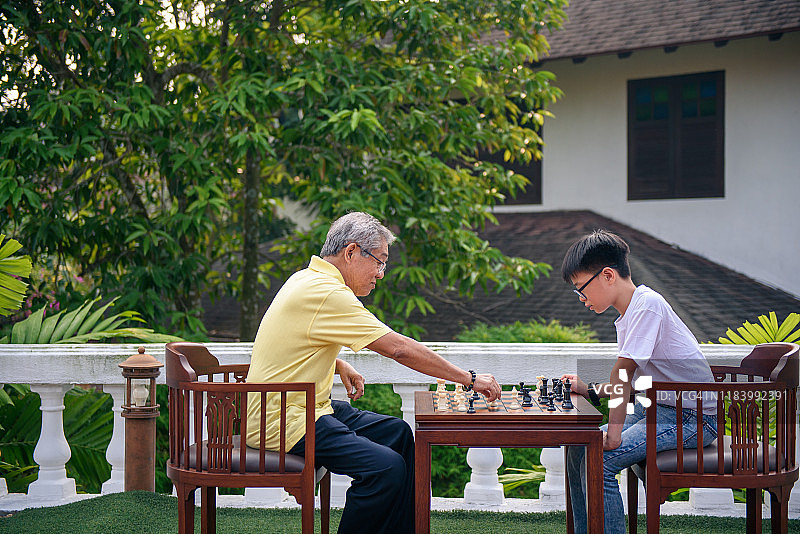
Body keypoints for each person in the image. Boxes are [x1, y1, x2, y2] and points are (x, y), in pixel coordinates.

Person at [245, 211, 501, 534]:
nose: (380, 274)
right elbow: (398, 348)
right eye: (379, 261)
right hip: (284, 420)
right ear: (351, 252)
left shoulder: (305, 279)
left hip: (303, 406)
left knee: (399, 434)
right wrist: (469, 379)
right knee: (385, 469)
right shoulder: (329, 293)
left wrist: (337, 363)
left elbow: (291, 342)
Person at [559, 229, 718, 534]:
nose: (582, 299)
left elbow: (622, 374)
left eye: (582, 289)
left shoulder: (647, 305)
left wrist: (614, 434)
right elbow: (634, 384)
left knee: (601, 461)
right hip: (656, 409)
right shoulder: (631, 313)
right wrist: (589, 390)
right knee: (580, 447)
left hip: (692, 419)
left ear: (608, 275)